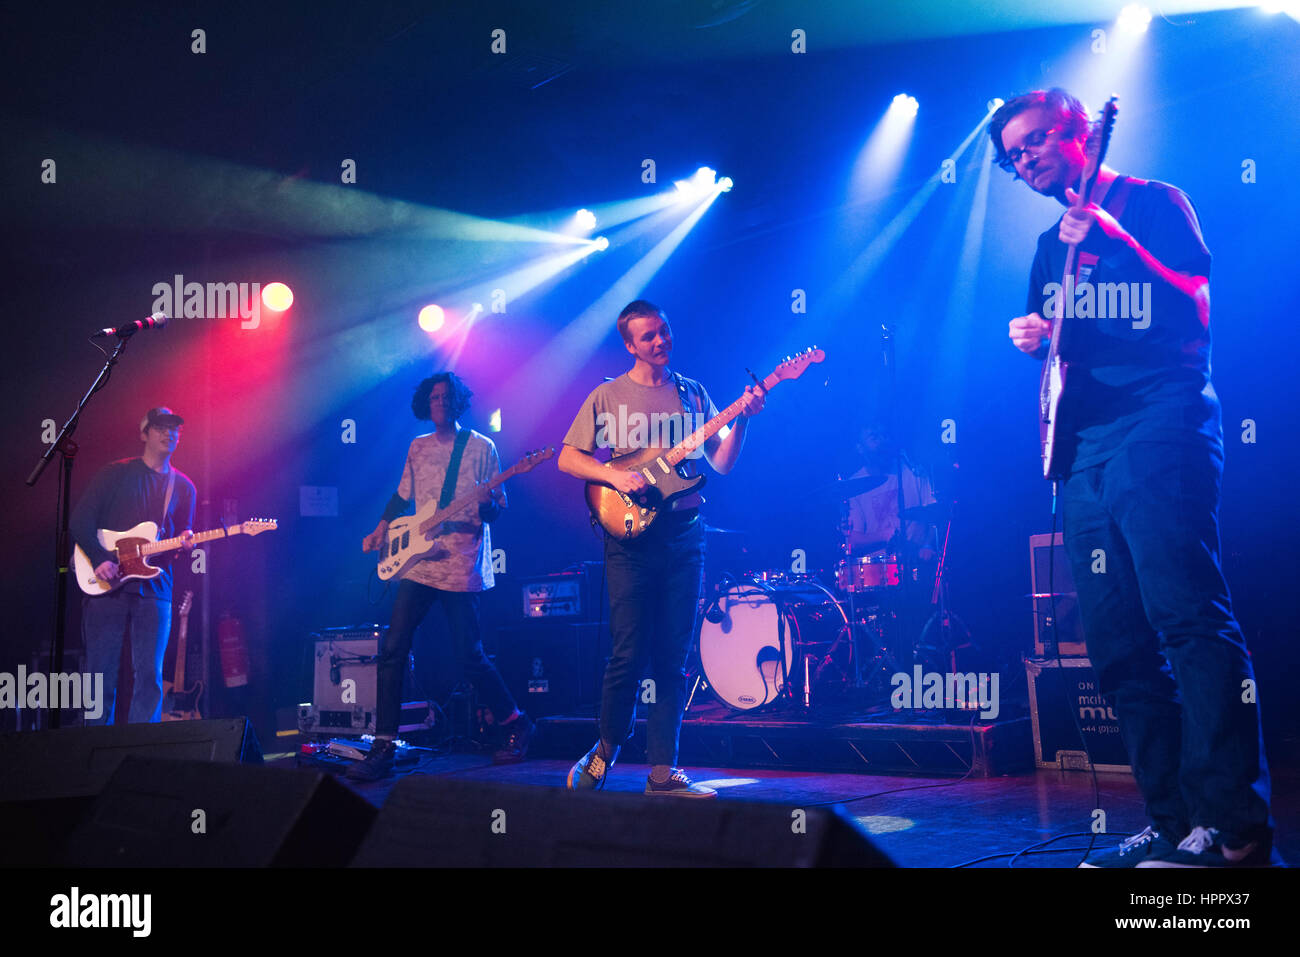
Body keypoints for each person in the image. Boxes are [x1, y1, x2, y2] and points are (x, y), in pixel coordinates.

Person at [995, 88, 1274, 867]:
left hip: (1161, 422)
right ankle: (1172, 816)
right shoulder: (1050, 243)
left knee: (1186, 615)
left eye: (1036, 141)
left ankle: (1234, 827)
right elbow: (1060, 345)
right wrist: (1034, 336)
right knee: (1115, 641)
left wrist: (1114, 233)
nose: (1027, 160)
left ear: (1080, 132)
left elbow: (1194, 301)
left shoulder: (1153, 202)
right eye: (1014, 156)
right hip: (1083, 448)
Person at [556, 299, 764, 797]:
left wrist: (748, 417)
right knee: (628, 653)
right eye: (648, 336)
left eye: (664, 332)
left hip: (685, 534)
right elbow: (567, 457)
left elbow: (724, 463)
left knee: (673, 656)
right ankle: (606, 749)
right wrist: (614, 473)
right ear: (630, 345)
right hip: (628, 536)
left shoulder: (694, 394)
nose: (660, 341)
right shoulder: (607, 396)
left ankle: (663, 772)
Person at [352, 372, 532, 780]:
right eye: (433, 397)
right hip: (419, 561)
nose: (440, 403)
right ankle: (383, 745)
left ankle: (516, 722)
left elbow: (497, 510)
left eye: (446, 397)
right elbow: (402, 495)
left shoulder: (482, 447)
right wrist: (383, 525)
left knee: (470, 657)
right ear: (425, 404)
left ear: (457, 403)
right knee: (394, 647)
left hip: (460, 563)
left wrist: (486, 504)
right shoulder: (417, 447)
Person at [70, 407, 196, 725]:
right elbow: (80, 521)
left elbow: (180, 534)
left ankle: (142, 750)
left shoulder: (184, 487)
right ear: (144, 434)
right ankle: (94, 749)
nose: (170, 433)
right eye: (161, 428)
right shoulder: (115, 473)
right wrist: (99, 560)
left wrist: (184, 541)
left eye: (175, 429)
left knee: (150, 676)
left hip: (156, 587)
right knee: (100, 672)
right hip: (107, 585)